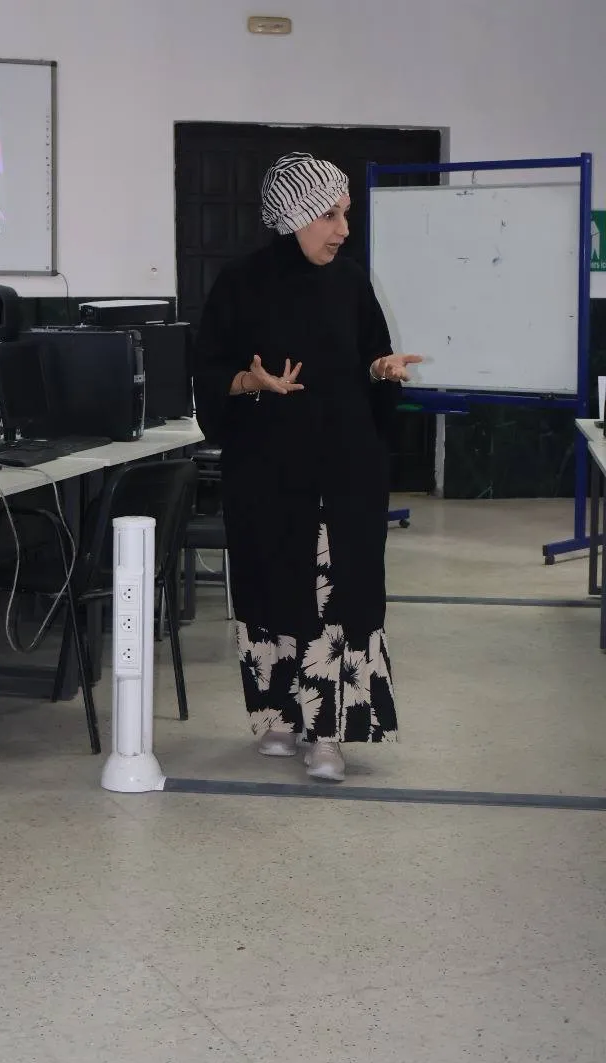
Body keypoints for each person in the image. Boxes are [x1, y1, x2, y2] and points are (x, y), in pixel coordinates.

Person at [193, 152, 421, 782]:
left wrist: (382, 369)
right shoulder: (240, 283)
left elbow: (369, 354)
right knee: (271, 586)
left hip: (344, 472)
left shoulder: (350, 282)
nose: (343, 229)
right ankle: (278, 717)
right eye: (330, 215)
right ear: (294, 216)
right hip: (267, 474)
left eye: (345, 214)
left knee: (337, 595)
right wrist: (250, 382)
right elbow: (208, 372)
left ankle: (328, 733)